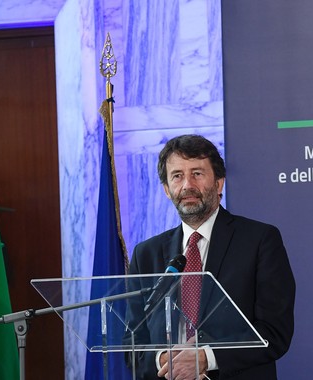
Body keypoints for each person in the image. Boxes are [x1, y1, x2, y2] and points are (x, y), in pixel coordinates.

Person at [126, 134, 295, 380]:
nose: (187, 186)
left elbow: (274, 332)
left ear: (218, 183)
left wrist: (206, 357)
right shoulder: (146, 254)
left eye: (197, 173)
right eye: (177, 176)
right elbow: (132, 340)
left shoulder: (259, 240)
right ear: (166, 190)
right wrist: (163, 359)